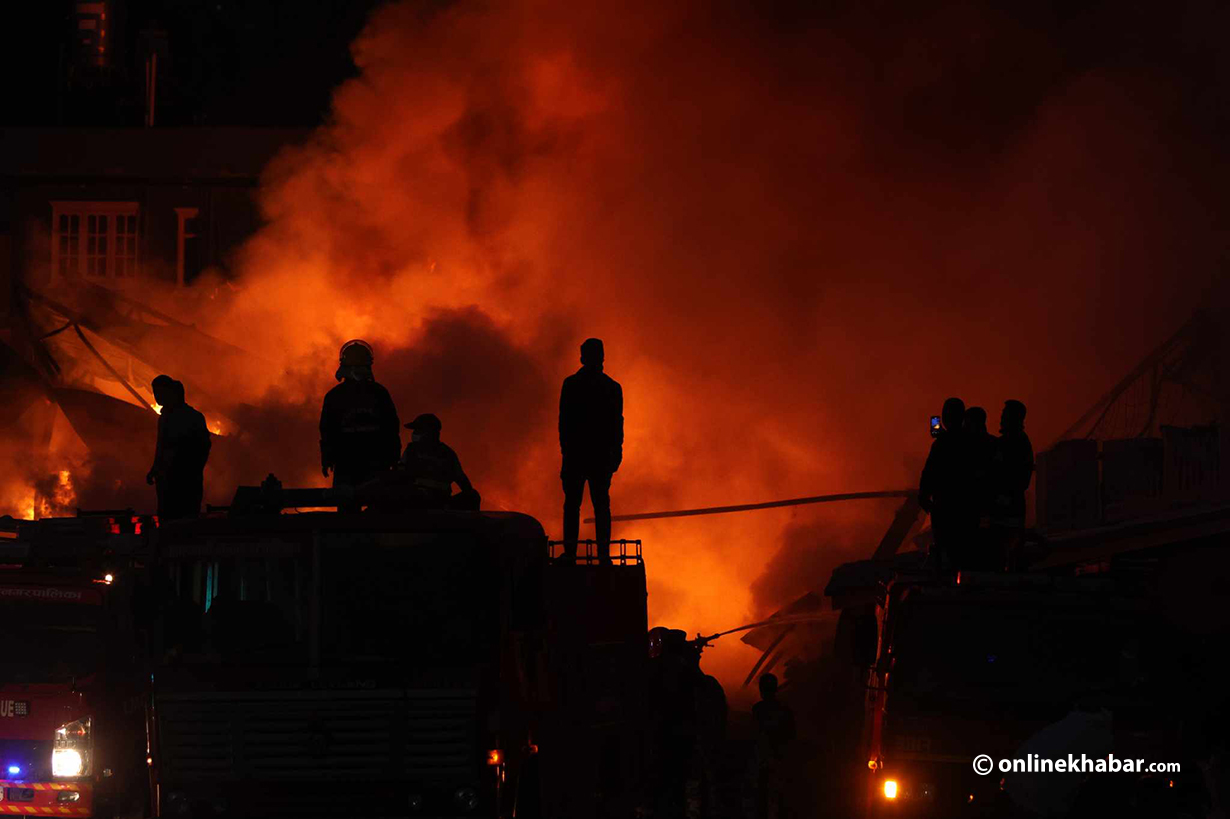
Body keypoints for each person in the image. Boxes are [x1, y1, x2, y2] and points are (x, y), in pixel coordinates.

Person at [558, 338, 623, 564]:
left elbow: (564, 423)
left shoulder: (572, 385)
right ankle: (602, 555)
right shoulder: (611, 388)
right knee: (600, 506)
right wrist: (616, 454)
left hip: (582, 456)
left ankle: (571, 554)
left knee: (575, 505)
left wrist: (567, 451)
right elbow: (617, 424)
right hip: (596, 457)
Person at [319, 340, 400, 492]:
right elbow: (392, 428)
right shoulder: (379, 393)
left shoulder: (335, 395)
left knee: (351, 507)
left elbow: (327, 430)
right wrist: (393, 457)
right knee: (375, 507)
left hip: (352, 461)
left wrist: (327, 458)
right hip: (368, 460)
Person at [918, 397, 975, 572]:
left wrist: (924, 496)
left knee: (945, 552)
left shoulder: (941, 443)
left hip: (944, 505)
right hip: (966, 506)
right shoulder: (972, 441)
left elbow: (929, 472)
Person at [146, 376, 211, 519]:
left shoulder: (192, 418)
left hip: (185, 481)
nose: (157, 396)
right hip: (167, 480)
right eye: (155, 392)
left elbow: (203, 447)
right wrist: (155, 469)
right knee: (169, 518)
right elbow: (161, 446)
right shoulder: (164, 418)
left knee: (184, 519)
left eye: (159, 392)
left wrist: (192, 470)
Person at [399, 413, 480, 510]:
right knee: (472, 495)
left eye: (418, 430)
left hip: (436, 504)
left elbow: (464, 483)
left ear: (429, 432)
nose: (414, 433)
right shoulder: (447, 453)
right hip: (420, 502)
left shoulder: (412, 451)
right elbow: (464, 483)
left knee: (472, 496)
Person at [752, 673, 795, 819]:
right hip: (778, 759)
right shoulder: (785, 711)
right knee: (777, 798)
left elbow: (755, 735)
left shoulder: (758, 710)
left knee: (763, 798)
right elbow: (790, 735)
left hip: (765, 760)